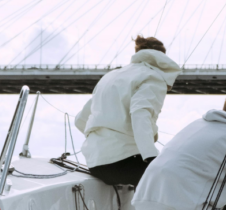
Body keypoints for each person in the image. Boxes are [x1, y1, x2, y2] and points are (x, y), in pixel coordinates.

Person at [74, 36, 179, 186]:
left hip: (95, 164)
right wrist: (151, 157)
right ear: (163, 57)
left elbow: (80, 120)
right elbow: (140, 114)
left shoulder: (111, 76)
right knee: (176, 179)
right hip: (125, 163)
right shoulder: (153, 77)